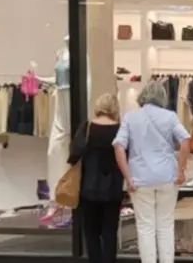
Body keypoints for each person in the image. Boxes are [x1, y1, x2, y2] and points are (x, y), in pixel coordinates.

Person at [113, 81, 191, 263]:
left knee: (145, 227)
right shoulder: (170, 116)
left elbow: (118, 146)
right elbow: (186, 139)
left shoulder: (130, 117)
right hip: (167, 176)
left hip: (140, 178)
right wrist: (181, 170)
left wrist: (127, 177)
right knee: (165, 225)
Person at [68, 93, 124, 263]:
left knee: (91, 233)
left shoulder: (87, 128)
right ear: (114, 108)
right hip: (113, 189)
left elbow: (73, 155)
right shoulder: (120, 129)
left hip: (89, 188)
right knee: (110, 233)